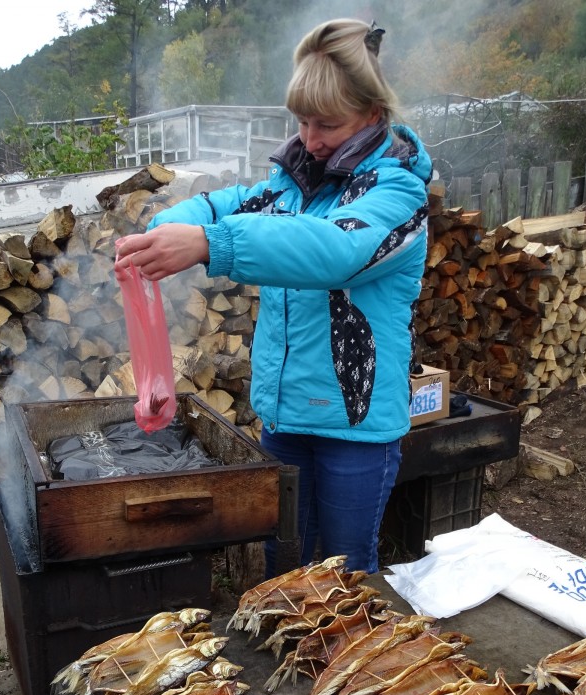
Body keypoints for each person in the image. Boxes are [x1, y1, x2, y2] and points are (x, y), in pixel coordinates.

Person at [114, 18, 432, 576]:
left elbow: (334, 249)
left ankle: (346, 666)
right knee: (281, 569)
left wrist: (208, 245)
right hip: (284, 419)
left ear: (373, 115)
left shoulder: (399, 193)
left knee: (344, 577)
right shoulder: (291, 185)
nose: (310, 139)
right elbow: (220, 206)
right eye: (302, 122)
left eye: (327, 123)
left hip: (355, 432)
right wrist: (161, 231)